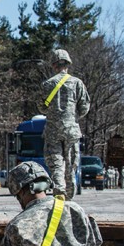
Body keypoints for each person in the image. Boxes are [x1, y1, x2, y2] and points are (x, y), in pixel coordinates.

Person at [38, 49, 90, 199]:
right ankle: (70, 190)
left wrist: (55, 114)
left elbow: (41, 107)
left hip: (53, 129)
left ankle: (59, 187)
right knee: (70, 161)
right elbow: (85, 106)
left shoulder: (47, 84)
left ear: (53, 65)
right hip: (71, 129)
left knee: (55, 160)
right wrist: (72, 118)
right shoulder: (77, 83)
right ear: (68, 64)